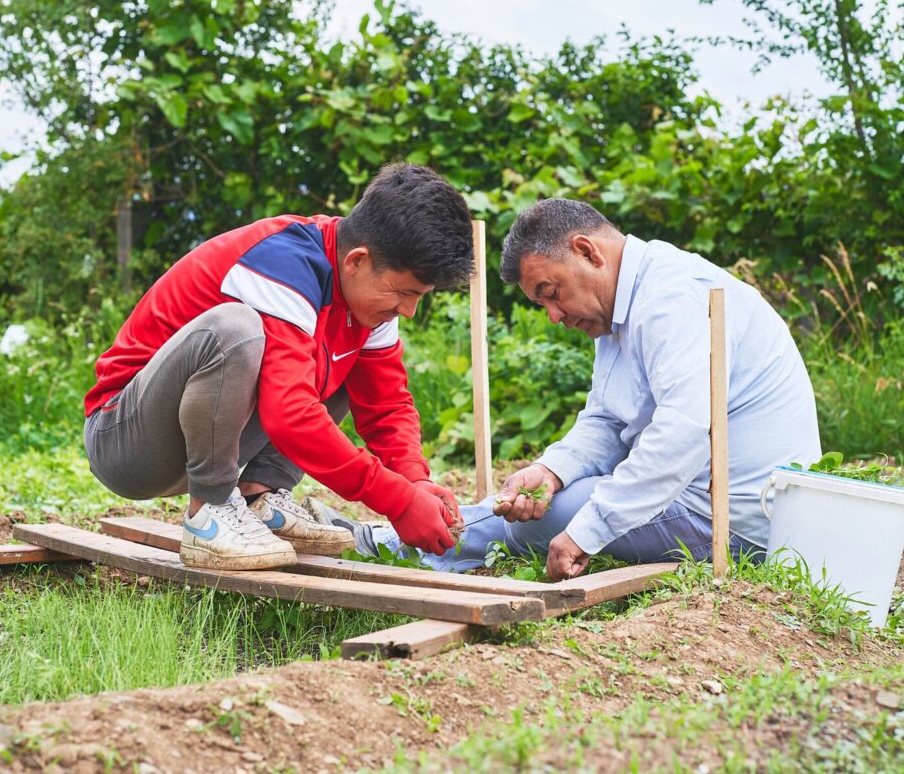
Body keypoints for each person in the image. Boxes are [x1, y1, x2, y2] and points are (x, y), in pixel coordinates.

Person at [330, 198, 821, 580]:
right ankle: (396, 541)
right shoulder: (623, 308)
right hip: (701, 496)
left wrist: (587, 532)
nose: (555, 316)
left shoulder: (671, 301)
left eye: (551, 292)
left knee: (547, 520)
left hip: (736, 521)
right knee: (551, 499)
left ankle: (390, 546)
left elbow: (682, 436)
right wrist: (551, 470)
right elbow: (608, 420)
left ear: (588, 252)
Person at [84, 164, 472, 570]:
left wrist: (415, 480)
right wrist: (396, 500)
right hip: (126, 440)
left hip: (208, 437)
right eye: (405, 293)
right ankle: (210, 510)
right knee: (234, 329)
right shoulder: (284, 260)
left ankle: (260, 497)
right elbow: (289, 416)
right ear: (357, 261)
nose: (408, 311)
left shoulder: (370, 303)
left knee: (341, 355)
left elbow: (387, 405)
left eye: (419, 297)